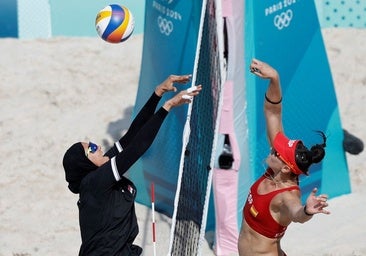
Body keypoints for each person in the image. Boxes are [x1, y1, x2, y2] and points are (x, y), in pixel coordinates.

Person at [62, 75, 202, 256]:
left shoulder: (101, 168)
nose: (98, 148)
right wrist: (167, 107)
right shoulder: (94, 182)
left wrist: (158, 93)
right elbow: (137, 148)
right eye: (92, 149)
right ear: (84, 164)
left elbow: (131, 137)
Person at [238, 59, 330, 256]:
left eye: (276, 152)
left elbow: (296, 212)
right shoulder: (277, 170)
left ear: (287, 167)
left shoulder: (287, 196)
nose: (272, 149)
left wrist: (306, 211)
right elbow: (273, 112)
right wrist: (274, 79)